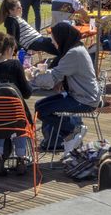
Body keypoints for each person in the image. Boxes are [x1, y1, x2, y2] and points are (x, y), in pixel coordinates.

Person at [31, 21, 100, 149]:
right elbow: (58, 73)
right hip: (81, 94)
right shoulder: (77, 48)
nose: (53, 43)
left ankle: (73, 130)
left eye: (54, 39)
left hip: (84, 100)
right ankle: (69, 137)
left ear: (61, 38)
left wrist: (32, 76)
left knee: (42, 110)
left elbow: (53, 78)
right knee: (39, 106)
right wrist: (38, 72)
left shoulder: (74, 53)